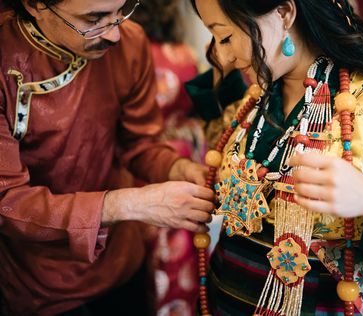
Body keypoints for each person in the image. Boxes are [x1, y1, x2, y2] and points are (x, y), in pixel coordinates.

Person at [185, 0, 363, 315]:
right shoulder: (258, 95)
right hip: (221, 297)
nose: (221, 54)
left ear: (283, 12)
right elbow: (225, 156)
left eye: (225, 37)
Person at [0, 0, 215, 315]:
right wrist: (130, 204)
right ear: (35, 5)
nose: (114, 34)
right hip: (36, 287)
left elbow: (140, 144)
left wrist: (177, 167)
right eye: (94, 18)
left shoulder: (130, 42)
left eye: (122, 10)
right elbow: (9, 202)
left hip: (123, 263)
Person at [130, 0, 207, 314]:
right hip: (181, 160)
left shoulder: (130, 57)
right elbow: (194, 109)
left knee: (142, 245)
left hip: (140, 163)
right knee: (182, 245)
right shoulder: (184, 56)